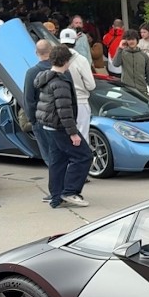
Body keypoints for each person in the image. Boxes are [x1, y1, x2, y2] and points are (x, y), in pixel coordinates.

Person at [35, 44, 92, 208]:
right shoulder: (61, 82)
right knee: (84, 156)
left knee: (57, 160)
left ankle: (56, 195)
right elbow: (64, 110)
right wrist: (73, 133)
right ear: (67, 61)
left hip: (48, 126)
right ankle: (70, 191)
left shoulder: (45, 77)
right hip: (60, 127)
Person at [22, 39, 57, 201]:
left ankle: (57, 191)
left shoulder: (32, 73)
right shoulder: (60, 70)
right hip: (60, 119)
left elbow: (28, 99)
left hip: (41, 119)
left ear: (37, 53)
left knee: (49, 157)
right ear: (51, 51)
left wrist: (32, 120)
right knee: (61, 154)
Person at [58, 29, 96, 139]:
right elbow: (91, 85)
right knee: (82, 136)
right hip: (80, 101)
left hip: (60, 101)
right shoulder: (81, 60)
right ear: (75, 41)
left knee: (64, 136)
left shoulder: (54, 59)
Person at [114, 30, 149, 95]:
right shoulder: (122, 53)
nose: (131, 41)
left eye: (133, 39)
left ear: (137, 40)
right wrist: (120, 48)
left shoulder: (143, 55)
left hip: (142, 89)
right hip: (127, 90)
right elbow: (115, 64)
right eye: (129, 39)